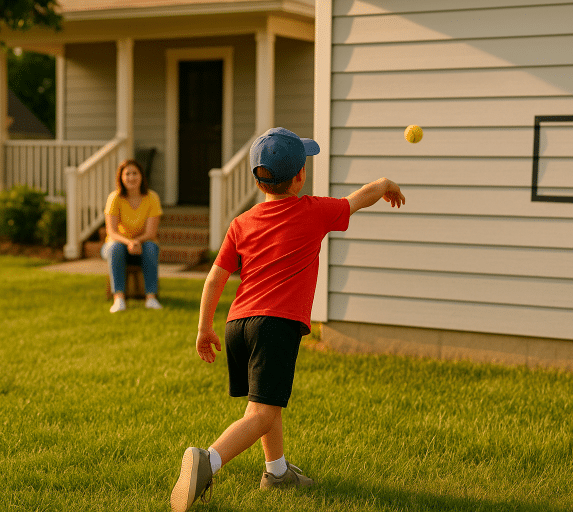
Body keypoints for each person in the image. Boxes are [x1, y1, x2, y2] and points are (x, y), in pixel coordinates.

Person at [170, 127, 405, 512]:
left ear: (257, 178)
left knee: (266, 403)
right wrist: (383, 182)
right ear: (300, 175)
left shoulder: (241, 222)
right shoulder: (312, 210)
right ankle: (207, 460)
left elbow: (215, 277)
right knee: (262, 412)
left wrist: (203, 327)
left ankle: (277, 473)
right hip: (275, 325)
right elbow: (356, 200)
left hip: (237, 324)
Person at [102, 159, 163, 313]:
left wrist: (136, 242)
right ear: (121, 178)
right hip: (117, 244)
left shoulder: (152, 198)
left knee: (150, 246)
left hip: (143, 244)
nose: (131, 177)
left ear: (141, 176)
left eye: (134, 173)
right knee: (115, 247)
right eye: (127, 174)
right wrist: (129, 242)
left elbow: (150, 233)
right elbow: (112, 231)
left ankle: (151, 298)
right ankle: (119, 299)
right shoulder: (114, 198)